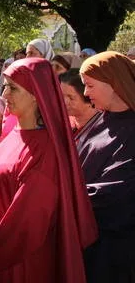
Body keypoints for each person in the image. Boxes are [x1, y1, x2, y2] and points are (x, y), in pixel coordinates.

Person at [0, 58, 97, 282]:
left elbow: (28, 222)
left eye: (13, 88)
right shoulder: (11, 137)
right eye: (5, 86)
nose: (5, 95)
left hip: (18, 262)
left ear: (36, 94)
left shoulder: (45, 150)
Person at [78, 51, 135, 282]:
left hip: (115, 248)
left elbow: (117, 191)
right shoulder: (101, 119)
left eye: (89, 85)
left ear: (113, 82)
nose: (85, 93)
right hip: (89, 239)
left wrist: (67, 196)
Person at [58, 69, 100, 138]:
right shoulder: (63, 122)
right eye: (61, 95)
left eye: (71, 98)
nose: (64, 102)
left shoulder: (101, 128)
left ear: (89, 97)